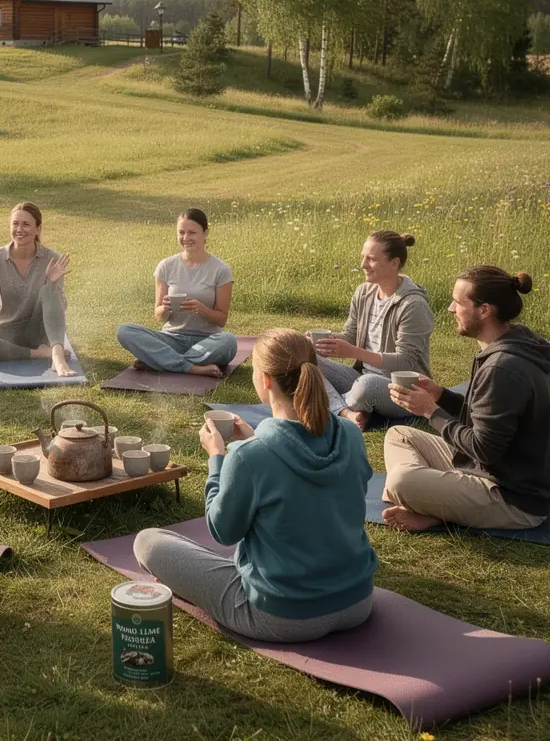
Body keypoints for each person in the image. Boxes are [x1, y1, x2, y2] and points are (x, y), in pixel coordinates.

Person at [134, 328, 377, 642]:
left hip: (281, 616)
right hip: (357, 602)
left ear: (265, 380)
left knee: (148, 542)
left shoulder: (250, 457)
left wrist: (218, 458)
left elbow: (223, 531)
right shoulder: (350, 434)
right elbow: (318, 483)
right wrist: (251, 442)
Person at [383, 267, 550, 532]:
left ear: (485, 310)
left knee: (400, 481)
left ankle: (433, 504)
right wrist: (441, 396)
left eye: (458, 302)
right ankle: (436, 502)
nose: (451, 309)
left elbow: (484, 448)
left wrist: (432, 412)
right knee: (399, 435)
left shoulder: (503, 367)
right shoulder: (508, 344)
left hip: (512, 498)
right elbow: (487, 418)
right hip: (486, 470)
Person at [313, 231, 434, 429]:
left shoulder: (413, 305)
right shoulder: (364, 292)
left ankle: (322, 402)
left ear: (394, 263)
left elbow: (406, 360)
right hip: (360, 376)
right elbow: (351, 335)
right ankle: (347, 412)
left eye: (371, 259)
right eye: (363, 257)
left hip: (403, 390)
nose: (363, 265)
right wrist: (325, 341)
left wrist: (353, 352)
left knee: (366, 386)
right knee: (306, 358)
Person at [116, 209, 237, 377]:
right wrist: (166, 308)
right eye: (181, 232)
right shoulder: (166, 266)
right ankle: (190, 367)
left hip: (208, 341)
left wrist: (201, 309)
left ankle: (162, 361)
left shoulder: (221, 270)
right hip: (171, 339)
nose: (186, 238)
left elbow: (222, 320)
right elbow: (159, 316)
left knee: (229, 341)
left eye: (192, 232)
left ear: (205, 233)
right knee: (124, 330)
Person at [0, 202, 75, 378]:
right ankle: (39, 354)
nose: (19, 229)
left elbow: (61, 308)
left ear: (38, 229)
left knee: (48, 289)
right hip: (4, 332)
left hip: (37, 331)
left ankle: (57, 356)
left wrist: (52, 282)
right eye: (15, 224)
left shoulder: (51, 259)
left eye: (26, 224)